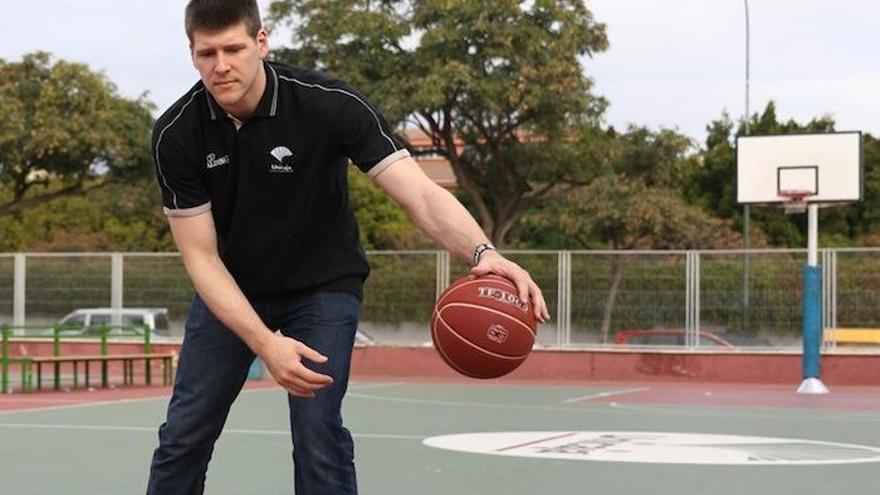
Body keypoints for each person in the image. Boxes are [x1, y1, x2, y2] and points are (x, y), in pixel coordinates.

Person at [146, 1, 549, 493]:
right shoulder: (176, 133)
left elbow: (419, 193)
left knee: (318, 431)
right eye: (207, 53)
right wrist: (264, 343)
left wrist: (486, 254)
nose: (221, 65)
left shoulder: (327, 104)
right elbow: (201, 258)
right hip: (234, 288)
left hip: (321, 287)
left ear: (262, 43)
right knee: (184, 433)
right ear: (191, 54)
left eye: (234, 48)